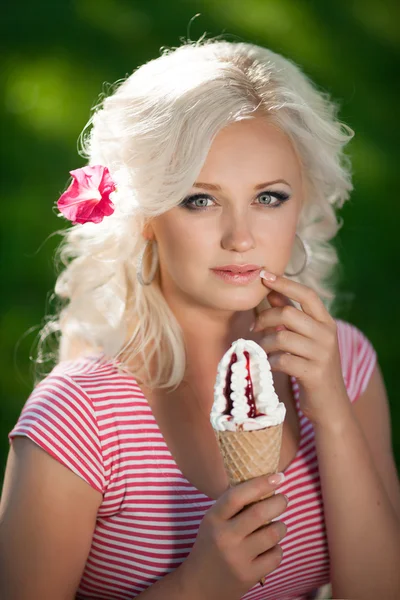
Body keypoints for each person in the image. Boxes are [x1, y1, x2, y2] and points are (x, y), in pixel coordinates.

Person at [1, 38, 399, 600]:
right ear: (144, 216)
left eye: (269, 197)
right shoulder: (78, 420)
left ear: (302, 201)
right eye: (199, 199)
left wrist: (331, 408)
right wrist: (196, 586)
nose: (240, 237)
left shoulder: (346, 363)